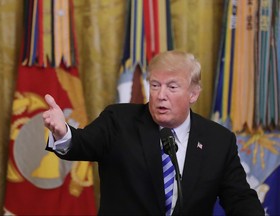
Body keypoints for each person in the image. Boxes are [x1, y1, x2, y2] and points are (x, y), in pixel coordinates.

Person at [43, 50, 264, 215]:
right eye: (155, 85)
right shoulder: (119, 121)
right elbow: (82, 143)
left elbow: (240, 199)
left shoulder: (218, 141)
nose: (160, 95)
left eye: (172, 87)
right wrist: (63, 133)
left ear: (194, 94)